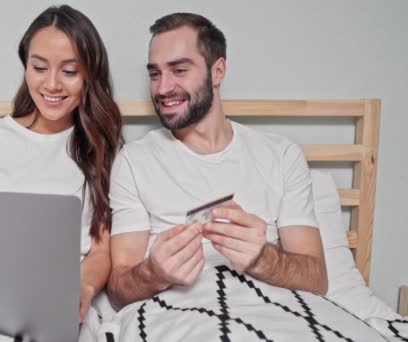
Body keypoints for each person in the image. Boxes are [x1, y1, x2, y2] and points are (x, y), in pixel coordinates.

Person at [104, 12, 388, 341]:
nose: (163, 87)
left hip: (282, 312)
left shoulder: (281, 156)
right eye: (155, 74)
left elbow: (316, 278)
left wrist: (262, 257)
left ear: (218, 70)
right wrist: (154, 272)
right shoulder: (134, 162)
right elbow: (118, 289)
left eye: (179, 70)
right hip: (184, 316)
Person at [0, 5, 123, 324]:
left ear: (89, 76)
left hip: (60, 298)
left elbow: (101, 252)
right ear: (26, 66)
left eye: (70, 71)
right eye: (39, 67)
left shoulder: (102, 150)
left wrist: (82, 290)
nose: (52, 84)